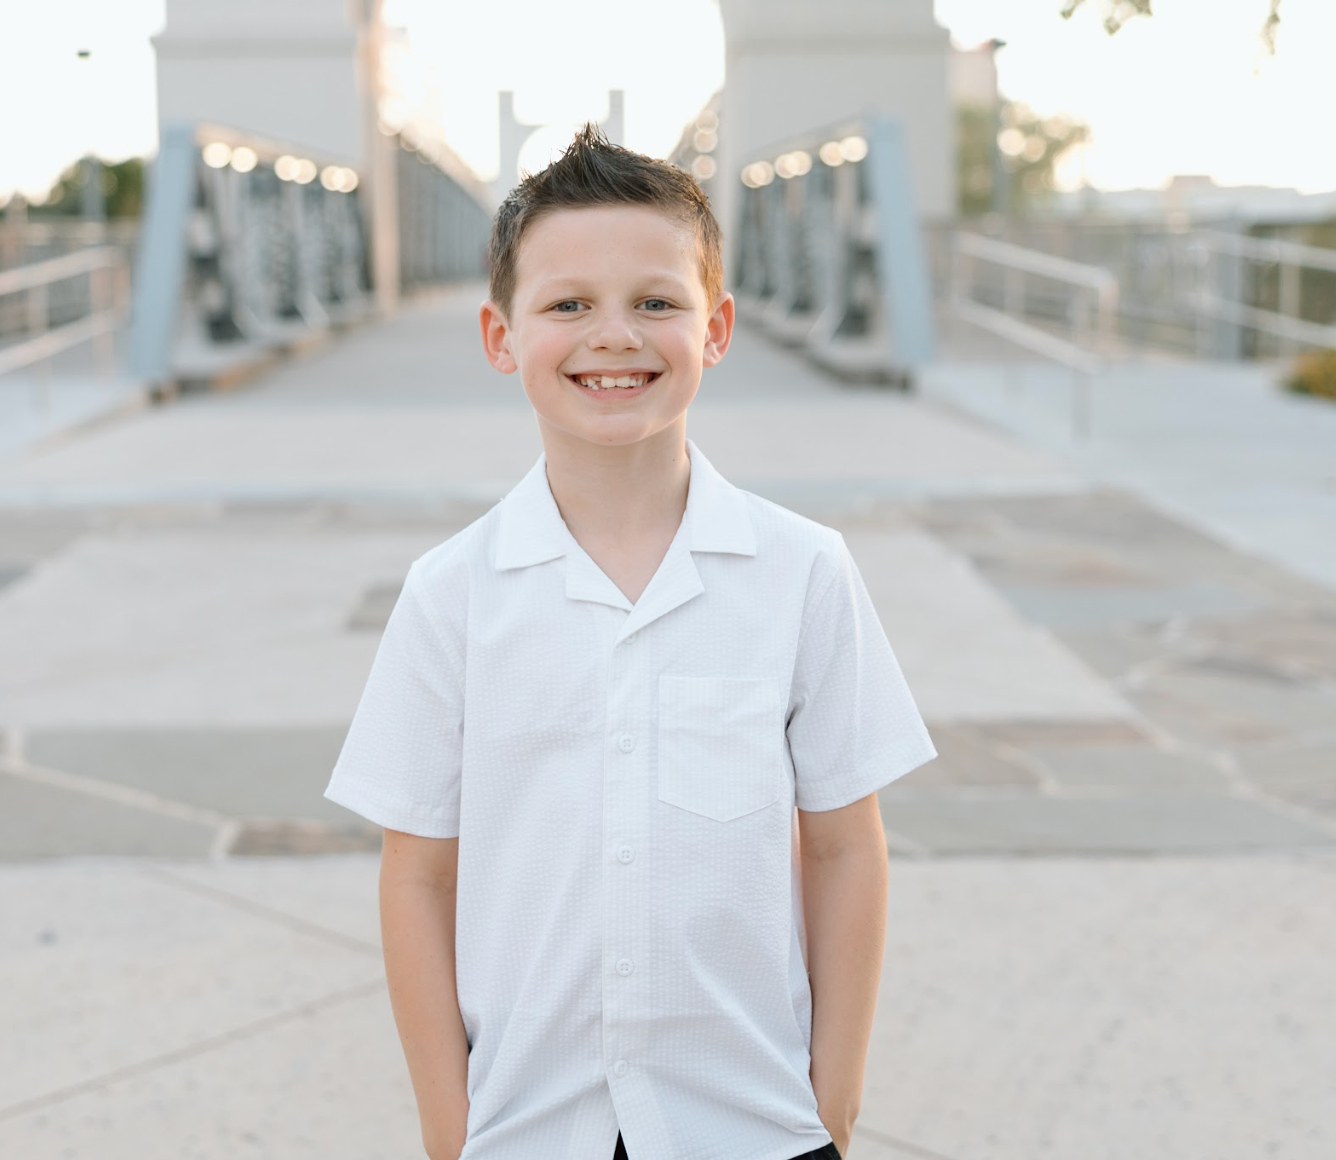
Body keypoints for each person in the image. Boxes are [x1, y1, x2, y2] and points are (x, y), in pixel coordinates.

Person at [324, 123, 936, 1160]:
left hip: (751, 1118)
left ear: (717, 328)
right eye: (568, 305)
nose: (614, 335)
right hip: (527, 1122)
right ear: (500, 336)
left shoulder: (802, 572)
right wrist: (448, 1123)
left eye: (656, 302)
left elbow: (841, 843)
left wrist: (832, 1095)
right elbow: (418, 872)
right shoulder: (450, 595)